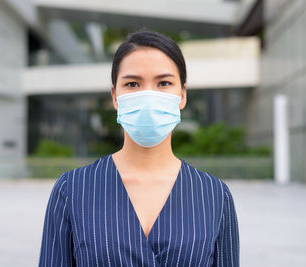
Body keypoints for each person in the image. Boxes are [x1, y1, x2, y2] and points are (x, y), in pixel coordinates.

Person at [38, 30, 239, 267]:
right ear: (115, 96)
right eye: (132, 83)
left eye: (164, 83)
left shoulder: (214, 195)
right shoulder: (72, 191)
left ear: (182, 95)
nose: (148, 96)